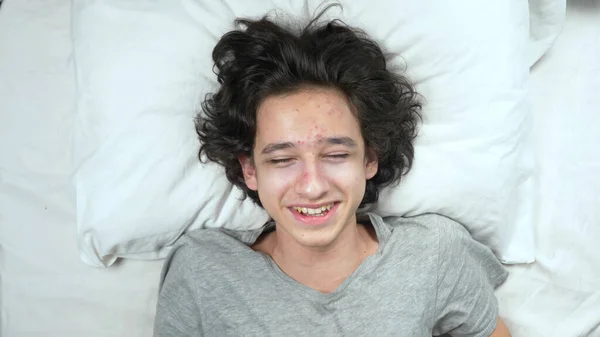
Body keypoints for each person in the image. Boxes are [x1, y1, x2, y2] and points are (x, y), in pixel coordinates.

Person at [153, 7, 511, 337]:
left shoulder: (433, 253)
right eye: (281, 160)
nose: (312, 186)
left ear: (369, 158)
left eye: (336, 154)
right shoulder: (201, 269)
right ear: (250, 169)